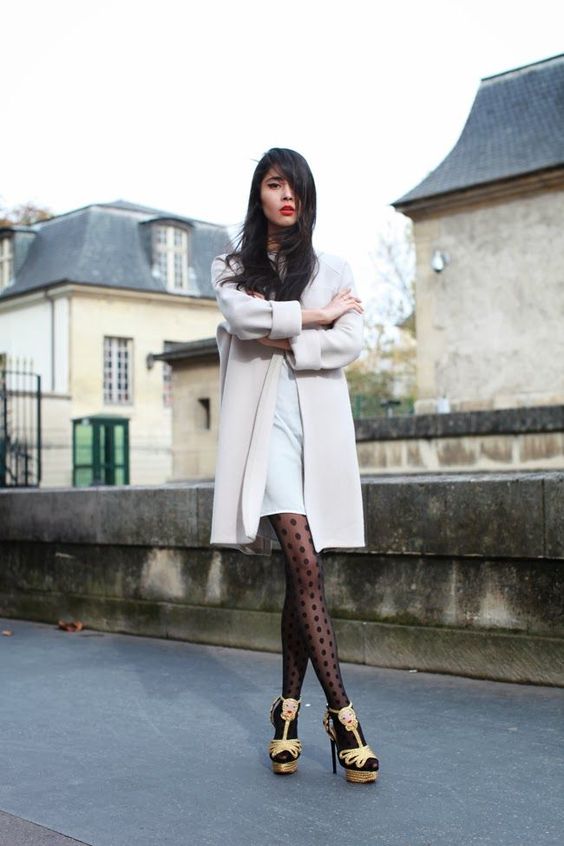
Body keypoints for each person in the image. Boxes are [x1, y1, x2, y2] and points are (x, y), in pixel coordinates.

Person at [209, 147, 379, 784]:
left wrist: (284, 334)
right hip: (264, 434)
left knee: (298, 576)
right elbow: (240, 316)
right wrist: (317, 316)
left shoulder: (333, 267)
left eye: (296, 187)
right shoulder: (233, 265)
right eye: (275, 184)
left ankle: (285, 714)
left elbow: (351, 341)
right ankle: (344, 716)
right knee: (305, 564)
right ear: (259, 192)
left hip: (318, 431)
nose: (287, 197)